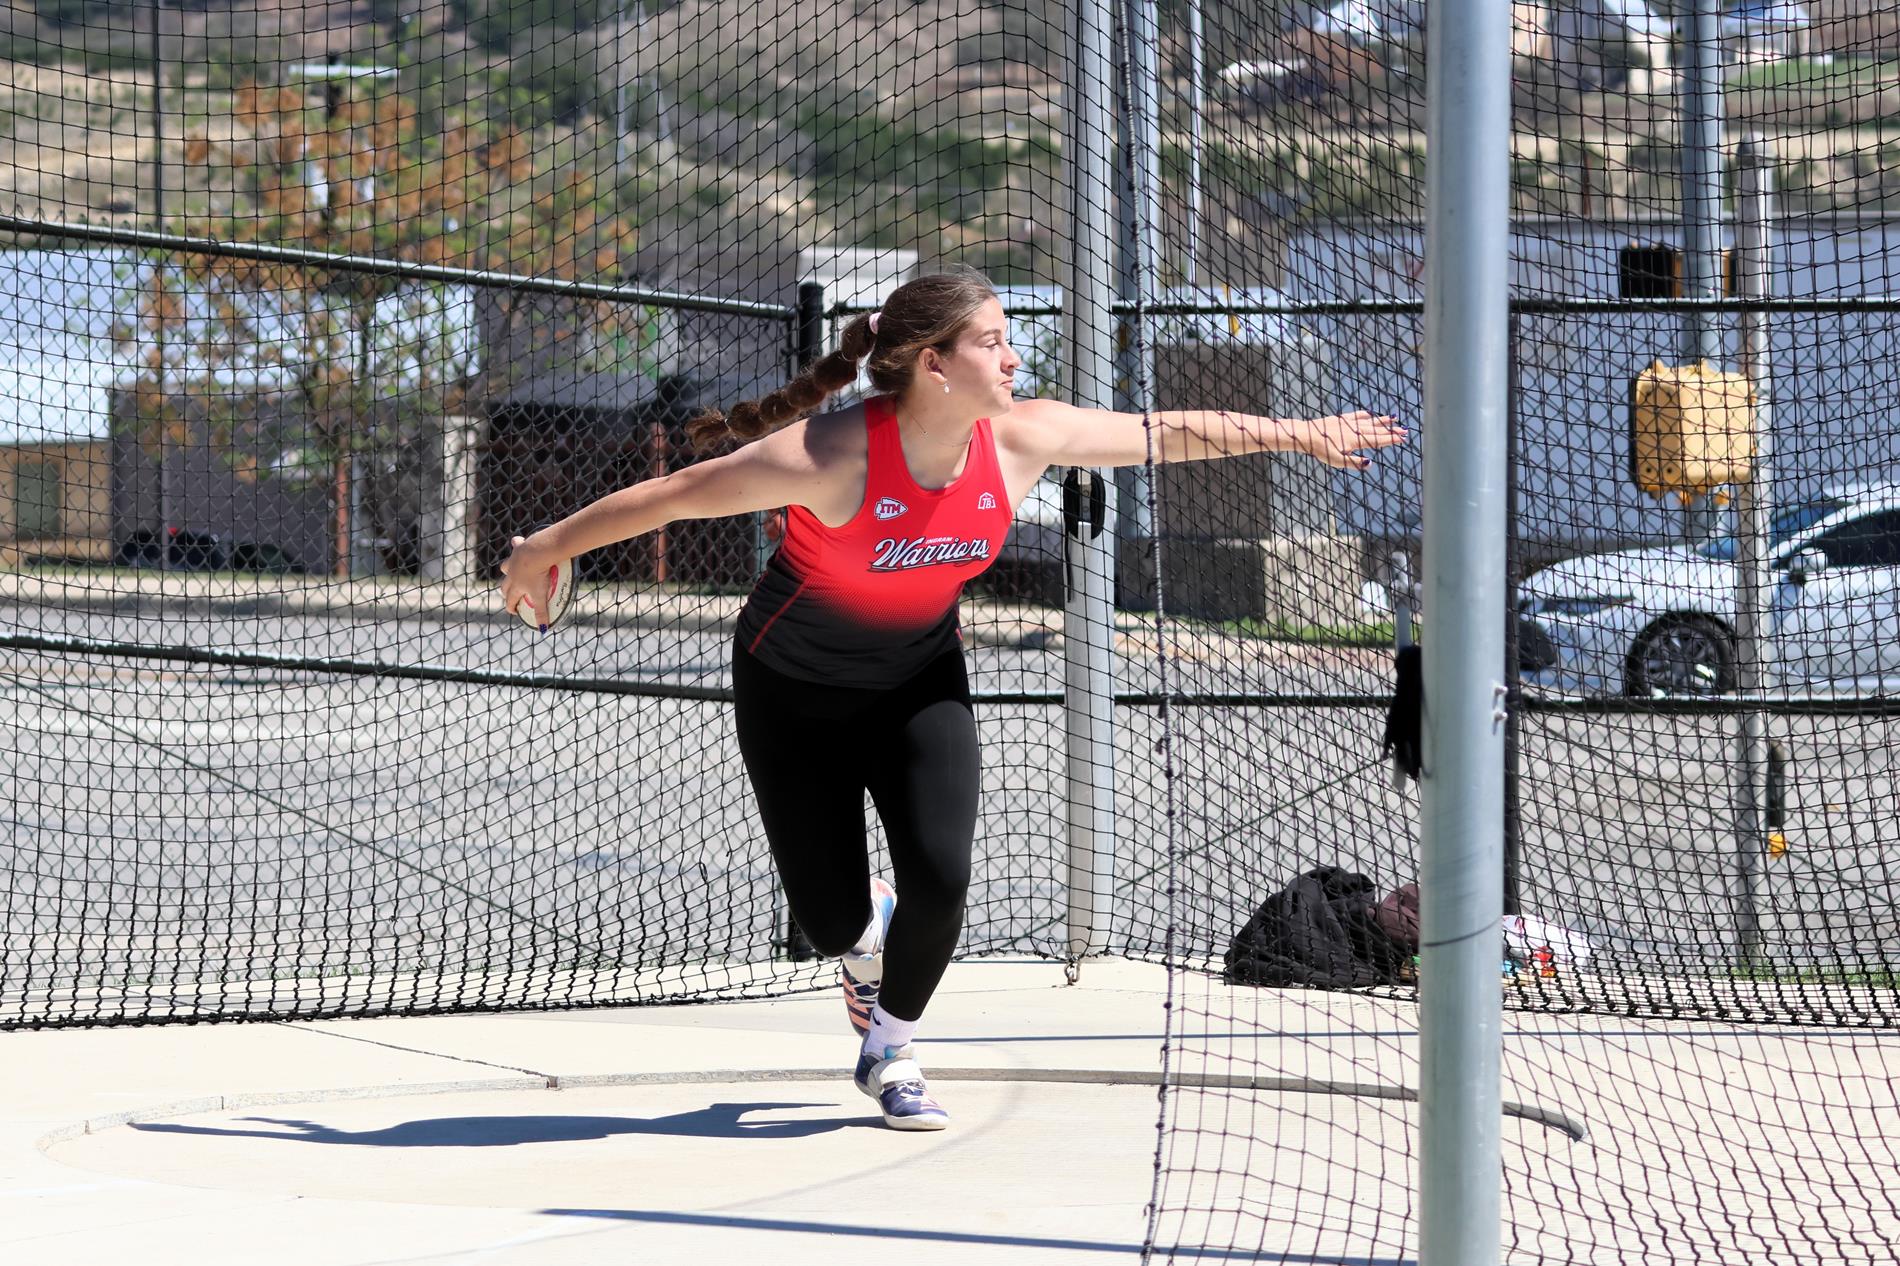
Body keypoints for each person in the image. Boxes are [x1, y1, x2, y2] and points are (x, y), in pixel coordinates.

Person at [499, 269, 1404, 1131]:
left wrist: (1301, 432)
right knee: (828, 921)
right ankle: (864, 938)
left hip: (919, 680)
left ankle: (890, 1049)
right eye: (994, 343)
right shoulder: (829, 454)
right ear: (934, 363)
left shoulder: (1021, 439)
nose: (1014, 361)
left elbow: (1163, 431)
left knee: (945, 874)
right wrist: (543, 545)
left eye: (1011, 343)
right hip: (793, 693)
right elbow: (669, 497)